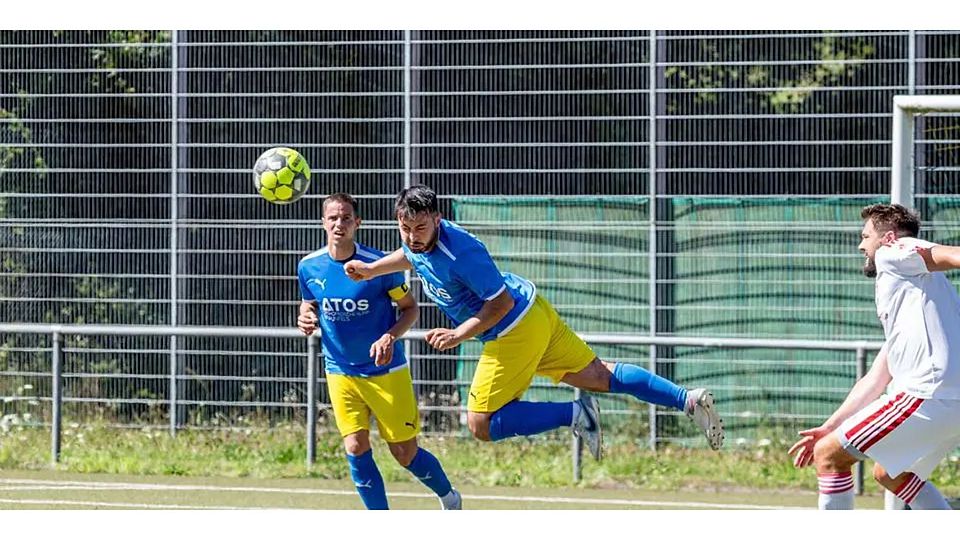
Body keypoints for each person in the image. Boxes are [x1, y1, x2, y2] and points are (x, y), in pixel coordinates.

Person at [343, 185, 724, 461]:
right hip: (534, 313)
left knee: (480, 423)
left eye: (419, 228)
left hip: (511, 329)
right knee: (600, 375)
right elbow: (410, 255)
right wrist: (372, 268)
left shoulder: (461, 253)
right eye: (404, 228)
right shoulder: (417, 238)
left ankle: (574, 413)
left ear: (438, 219)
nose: (411, 236)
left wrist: (459, 334)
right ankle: (687, 399)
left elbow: (499, 304)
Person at [788, 203, 960, 510]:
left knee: (828, 455)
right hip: (949, 404)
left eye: (866, 236)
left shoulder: (894, 251)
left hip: (929, 396)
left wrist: (829, 440)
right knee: (891, 472)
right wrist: (831, 425)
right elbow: (876, 379)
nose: (861, 245)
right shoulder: (918, 299)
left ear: (888, 237)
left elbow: (950, 254)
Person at [297, 192, 461, 510]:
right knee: (356, 446)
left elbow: (410, 309)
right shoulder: (309, 266)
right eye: (332, 218)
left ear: (358, 223)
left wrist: (389, 337)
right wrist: (304, 314)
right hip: (340, 370)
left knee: (404, 453)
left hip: (386, 372)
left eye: (346, 217)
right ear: (322, 223)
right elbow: (309, 301)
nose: (339, 224)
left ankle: (449, 498)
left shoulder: (378, 265)